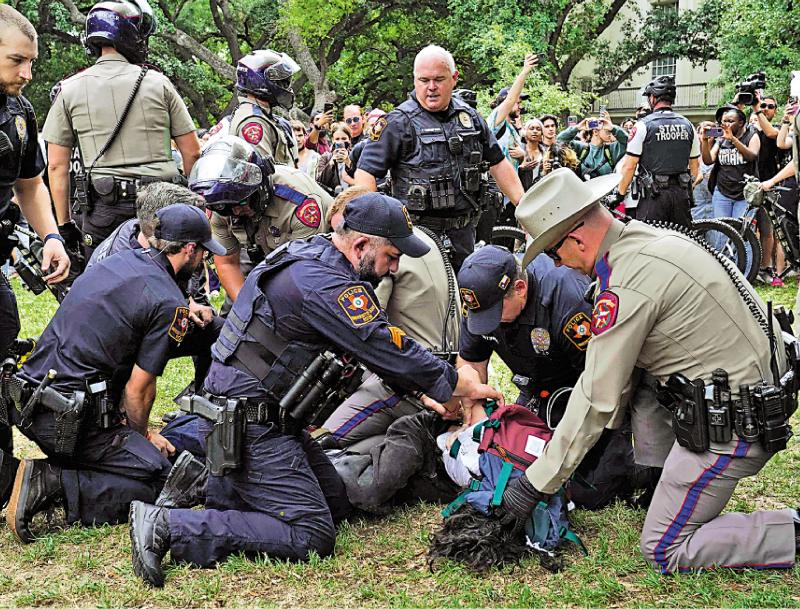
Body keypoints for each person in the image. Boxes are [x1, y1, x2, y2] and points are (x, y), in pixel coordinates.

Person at [127, 193, 504, 587]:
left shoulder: (311, 256)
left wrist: (426, 390)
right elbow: (381, 342)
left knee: (336, 501)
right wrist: (458, 383)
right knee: (311, 533)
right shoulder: (325, 284)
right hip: (249, 424)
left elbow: (365, 351)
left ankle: (211, 481)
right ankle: (169, 524)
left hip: (262, 416)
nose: (394, 266)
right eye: (391, 256)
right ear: (361, 245)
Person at [505, 167, 799, 574]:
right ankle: (659, 477)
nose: (559, 265)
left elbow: (596, 395)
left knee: (664, 548)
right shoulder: (646, 239)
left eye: (554, 254)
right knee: (638, 375)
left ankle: (791, 530)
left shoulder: (628, 282)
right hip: (752, 395)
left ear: (576, 237)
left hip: (734, 426)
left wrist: (536, 482)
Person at [5, 204, 226, 543]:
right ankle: (52, 483)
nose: (205, 263)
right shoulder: (167, 303)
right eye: (204, 255)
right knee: (160, 479)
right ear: (189, 249)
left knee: (144, 460)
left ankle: (70, 469)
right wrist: (141, 437)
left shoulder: (117, 261)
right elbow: (139, 390)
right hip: (70, 422)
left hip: (33, 400)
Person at [456, 244, 641, 509]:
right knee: (512, 459)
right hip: (538, 388)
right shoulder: (482, 299)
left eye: (494, 315)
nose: (489, 323)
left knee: (589, 492)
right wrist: (473, 420)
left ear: (520, 288)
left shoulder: (568, 299)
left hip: (588, 388)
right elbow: (471, 363)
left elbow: (604, 382)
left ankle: (643, 467)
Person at [43, 0, 200, 259]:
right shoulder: (159, 83)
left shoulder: (69, 90)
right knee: (168, 281)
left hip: (104, 207)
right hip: (162, 202)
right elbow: (192, 152)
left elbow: (57, 167)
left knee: (104, 281)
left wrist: (64, 225)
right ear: (130, 35)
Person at [354, 45, 524, 270]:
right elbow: (365, 174)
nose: (431, 88)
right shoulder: (397, 122)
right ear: (414, 80)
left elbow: (499, 164)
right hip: (415, 237)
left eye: (439, 79)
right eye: (424, 80)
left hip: (464, 234)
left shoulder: (471, 119)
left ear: (454, 78)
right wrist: (375, 230)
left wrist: (525, 209)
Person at [321, 186, 461, 450]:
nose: (338, 240)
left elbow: (363, 333)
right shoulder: (421, 237)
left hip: (411, 381)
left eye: (344, 228)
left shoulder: (381, 255)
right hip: (443, 368)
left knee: (318, 442)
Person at [0, 5, 71, 490]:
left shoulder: (19, 114)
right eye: (15, 61)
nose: (27, 73)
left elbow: (30, 184)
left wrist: (51, 236)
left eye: (30, 62)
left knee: (4, 348)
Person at [86, 182, 223, 391]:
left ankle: (206, 398)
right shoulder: (123, 260)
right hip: (112, 345)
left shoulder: (149, 237)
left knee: (219, 330)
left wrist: (188, 303)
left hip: (145, 323)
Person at [193, 135, 331, 303]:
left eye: (242, 201)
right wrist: (248, 308)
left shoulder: (300, 204)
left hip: (317, 266)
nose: (236, 211)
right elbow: (227, 263)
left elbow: (302, 274)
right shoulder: (219, 205)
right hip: (260, 258)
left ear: (261, 187)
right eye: (228, 207)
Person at [617, 76, 700, 227]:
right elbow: (695, 168)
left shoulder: (643, 126)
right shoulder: (688, 125)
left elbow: (629, 166)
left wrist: (620, 194)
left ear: (653, 98)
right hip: (681, 196)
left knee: (650, 244)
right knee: (682, 241)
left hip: (654, 197)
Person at [230, 49, 300, 167]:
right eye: (281, 82)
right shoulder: (254, 122)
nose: (285, 88)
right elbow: (266, 176)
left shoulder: (265, 116)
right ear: (259, 81)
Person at [700, 107, 759, 222]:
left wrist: (733, 139)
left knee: (741, 232)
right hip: (722, 192)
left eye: (730, 121)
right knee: (722, 232)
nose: (726, 125)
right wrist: (705, 141)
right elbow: (708, 160)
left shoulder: (751, 135)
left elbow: (752, 156)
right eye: (724, 121)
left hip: (745, 193)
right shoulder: (721, 139)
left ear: (741, 123)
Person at [487, 54, 538, 170]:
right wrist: (525, 71)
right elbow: (510, 99)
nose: (520, 106)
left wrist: (522, 158)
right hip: (495, 186)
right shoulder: (496, 121)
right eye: (517, 102)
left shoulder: (513, 129)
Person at [557, 111, 628, 180]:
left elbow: (628, 141)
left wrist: (613, 128)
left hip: (605, 190)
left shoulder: (611, 150)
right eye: (607, 130)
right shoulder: (581, 148)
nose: (610, 134)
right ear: (595, 132)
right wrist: (577, 128)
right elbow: (559, 140)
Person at [315, 122, 355, 195]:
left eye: (344, 138)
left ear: (349, 139)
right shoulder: (325, 157)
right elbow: (319, 183)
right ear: (333, 140)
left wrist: (348, 162)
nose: (340, 142)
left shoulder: (355, 155)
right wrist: (331, 164)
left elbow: (360, 180)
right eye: (337, 139)